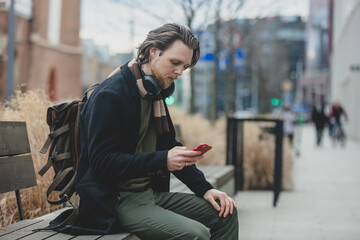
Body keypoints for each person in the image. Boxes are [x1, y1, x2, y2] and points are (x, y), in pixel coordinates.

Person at [70, 23, 238, 239]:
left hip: (149, 195)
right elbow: (102, 163)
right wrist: (162, 160)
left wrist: (205, 188)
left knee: (226, 213)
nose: (179, 72)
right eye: (175, 63)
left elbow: (167, 145)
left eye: (184, 67)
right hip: (115, 200)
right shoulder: (111, 95)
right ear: (154, 52)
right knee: (195, 235)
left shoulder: (154, 92)